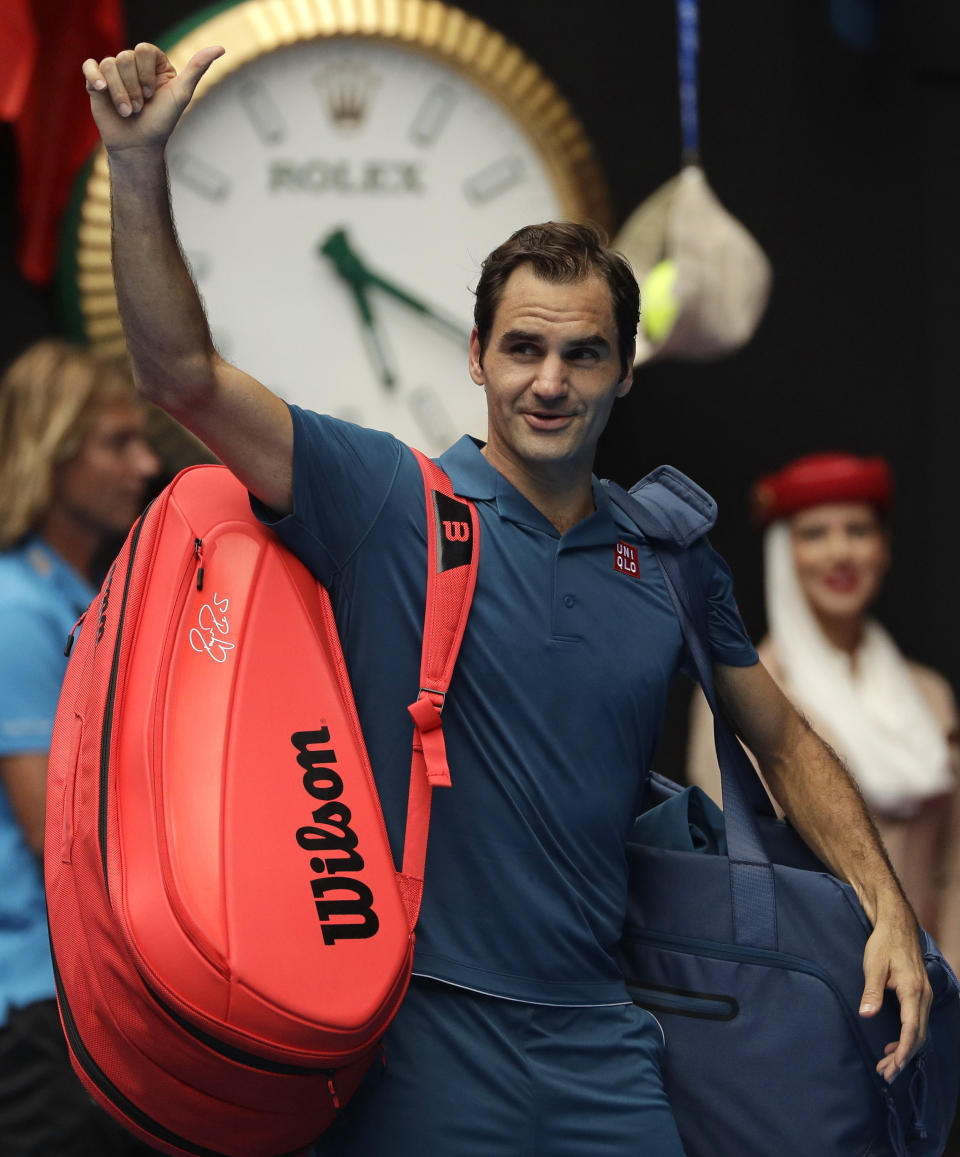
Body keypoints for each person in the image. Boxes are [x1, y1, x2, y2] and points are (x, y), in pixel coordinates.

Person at [81, 43, 931, 1155]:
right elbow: (180, 374)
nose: (550, 379)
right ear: (477, 356)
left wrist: (887, 911)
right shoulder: (389, 499)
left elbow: (783, 733)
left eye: (584, 354)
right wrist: (138, 166)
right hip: (413, 1043)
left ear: (626, 369)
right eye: (524, 347)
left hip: (606, 1041)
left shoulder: (670, 554)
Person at [686, 452, 960, 969]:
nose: (840, 553)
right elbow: (732, 855)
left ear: (884, 549)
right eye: (814, 534)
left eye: (858, 531)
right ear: (782, 554)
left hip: (935, 975)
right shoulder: (749, 690)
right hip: (814, 979)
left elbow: (954, 860)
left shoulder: (930, 695)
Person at [0, 338, 161, 1155]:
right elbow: (52, 832)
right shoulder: (17, 607)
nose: (143, 465)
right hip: (37, 1005)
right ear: (53, 452)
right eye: (116, 442)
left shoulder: (84, 599)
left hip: (86, 1001)